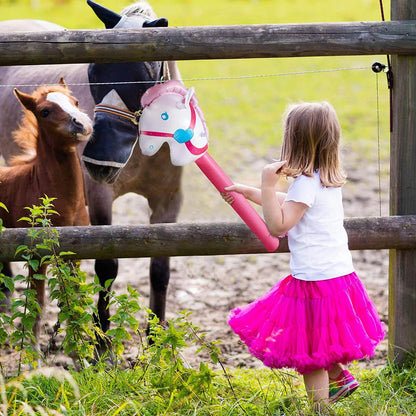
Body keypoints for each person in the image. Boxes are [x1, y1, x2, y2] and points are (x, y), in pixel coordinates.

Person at [222, 101, 385, 412]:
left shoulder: (306, 184)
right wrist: (249, 192)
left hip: (315, 281)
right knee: (323, 340)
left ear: (293, 142)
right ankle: (339, 379)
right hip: (338, 277)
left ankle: (319, 409)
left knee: (311, 354)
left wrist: (267, 185)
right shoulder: (324, 178)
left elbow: (278, 224)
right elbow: (289, 202)